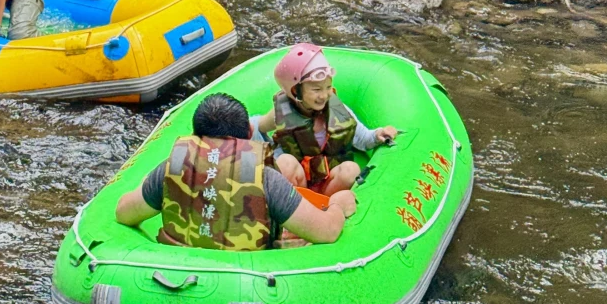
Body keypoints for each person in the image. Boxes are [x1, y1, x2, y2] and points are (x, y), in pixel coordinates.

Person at [114, 92, 351, 249]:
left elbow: (123, 213)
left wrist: (147, 182)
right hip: (247, 281)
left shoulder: (172, 167)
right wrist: (338, 206)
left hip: (178, 272)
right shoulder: (265, 177)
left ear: (196, 136)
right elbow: (326, 232)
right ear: (249, 134)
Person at [255, 42, 398, 200]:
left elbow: (363, 139)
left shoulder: (338, 110)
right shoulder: (281, 113)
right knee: (285, 163)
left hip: (327, 183)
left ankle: (322, 205)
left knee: (351, 170)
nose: (324, 95)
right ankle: (293, 207)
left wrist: (378, 135)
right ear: (296, 91)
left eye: (328, 87)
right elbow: (257, 127)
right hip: (297, 185)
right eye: (316, 89)